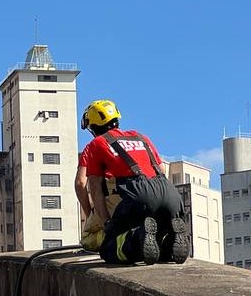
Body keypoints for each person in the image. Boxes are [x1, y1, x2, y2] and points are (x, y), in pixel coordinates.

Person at [75, 99, 189, 264]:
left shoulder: (97, 144)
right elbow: (162, 170)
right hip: (169, 193)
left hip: (139, 194)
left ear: (93, 126)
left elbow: (93, 187)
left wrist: (108, 223)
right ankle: (169, 242)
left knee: (109, 248)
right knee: (156, 245)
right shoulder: (140, 136)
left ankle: (138, 237)